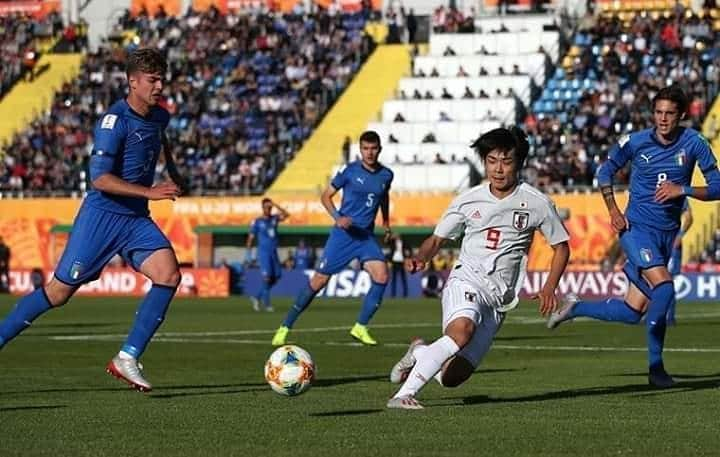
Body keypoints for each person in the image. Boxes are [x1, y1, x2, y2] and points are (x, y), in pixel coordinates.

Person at [0, 48, 185, 392]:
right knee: (57, 294)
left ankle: (127, 357)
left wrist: (174, 171)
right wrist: (150, 192)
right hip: (101, 218)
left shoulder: (160, 117)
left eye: (162, 78)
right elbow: (99, 179)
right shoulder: (114, 122)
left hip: (134, 220)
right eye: (152, 80)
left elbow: (162, 139)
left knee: (169, 274)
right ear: (132, 82)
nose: (159, 86)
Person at [547, 86, 720, 388]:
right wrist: (614, 209)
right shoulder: (635, 142)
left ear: (681, 115)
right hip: (635, 230)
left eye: (669, 114)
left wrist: (684, 190)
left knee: (631, 312)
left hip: (667, 234)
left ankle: (576, 307)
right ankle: (657, 370)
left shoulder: (694, 143)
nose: (663, 119)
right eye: (658, 113)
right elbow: (605, 171)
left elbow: (718, 187)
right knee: (664, 288)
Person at [387, 127, 570, 409]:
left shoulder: (537, 203)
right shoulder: (467, 199)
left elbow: (561, 247)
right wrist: (423, 256)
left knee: (451, 378)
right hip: (467, 280)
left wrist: (549, 286)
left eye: (506, 161)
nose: (498, 169)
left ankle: (421, 352)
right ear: (484, 162)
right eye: (491, 160)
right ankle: (402, 396)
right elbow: (436, 239)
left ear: (519, 163)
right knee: (461, 331)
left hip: (499, 300)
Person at [272, 130, 393, 346]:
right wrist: (337, 217)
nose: (369, 152)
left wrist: (385, 222)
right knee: (319, 281)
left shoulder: (386, 175)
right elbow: (325, 196)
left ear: (379, 149)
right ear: (360, 150)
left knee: (382, 275)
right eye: (365, 148)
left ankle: (360, 327)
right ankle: (285, 326)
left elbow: (384, 197)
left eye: (373, 148)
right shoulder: (349, 171)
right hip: (343, 236)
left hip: (365, 237)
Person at [247, 198, 290, 312]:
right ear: (262, 208)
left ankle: (257, 297)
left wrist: (275, 204)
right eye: (266, 207)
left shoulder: (274, 219)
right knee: (267, 278)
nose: (268, 209)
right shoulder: (257, 221)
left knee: (277, 276)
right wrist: (249, 254)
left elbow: (286, 215)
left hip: (273, 252)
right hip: (263, 252)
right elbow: (250, 238)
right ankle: (267, 305)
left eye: (270, 207)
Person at [666, 199, 692, 325]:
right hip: (655, 241)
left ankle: (669, 317)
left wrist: (680, 236)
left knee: (668, 280)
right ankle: (653, 314)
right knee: (652, 278)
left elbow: (689, 217)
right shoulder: (650, 191)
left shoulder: (676, 195)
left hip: (671, 243)